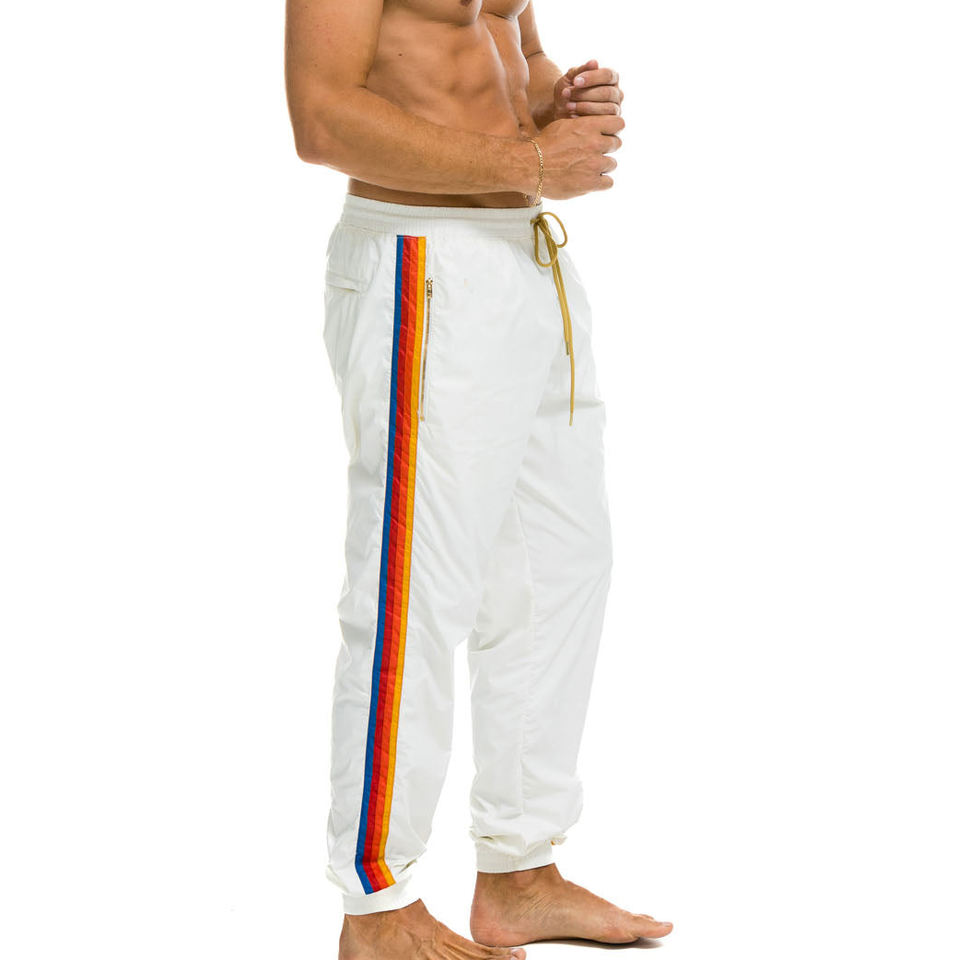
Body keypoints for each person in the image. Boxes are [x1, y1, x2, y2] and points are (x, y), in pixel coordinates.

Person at [284, 2, 673, 957]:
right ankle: (377, 908)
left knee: (559, 572)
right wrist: (530, 160)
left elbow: (515, 46)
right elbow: (322, 117)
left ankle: (519, 870)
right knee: (414, 594)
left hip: (527, 257)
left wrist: (560, 103)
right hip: (422, 258)